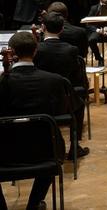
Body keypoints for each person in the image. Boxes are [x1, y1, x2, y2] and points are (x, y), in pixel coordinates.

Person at [0, 32, 70, 210]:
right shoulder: (54, 81)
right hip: (46, 152)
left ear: (12, 51)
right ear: (36, 50)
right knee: (51, 145)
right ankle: (33, 205)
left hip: (5, 154)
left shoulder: (3, 82)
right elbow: (62, 112)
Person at [34, 12, 90, 158]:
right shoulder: (71, 50)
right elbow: (76, 77)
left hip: (38, 101)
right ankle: (74, 146)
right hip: (63, 102)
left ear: (43, 27)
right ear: (61, 30)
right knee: (79, 101)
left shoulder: (36, 49)